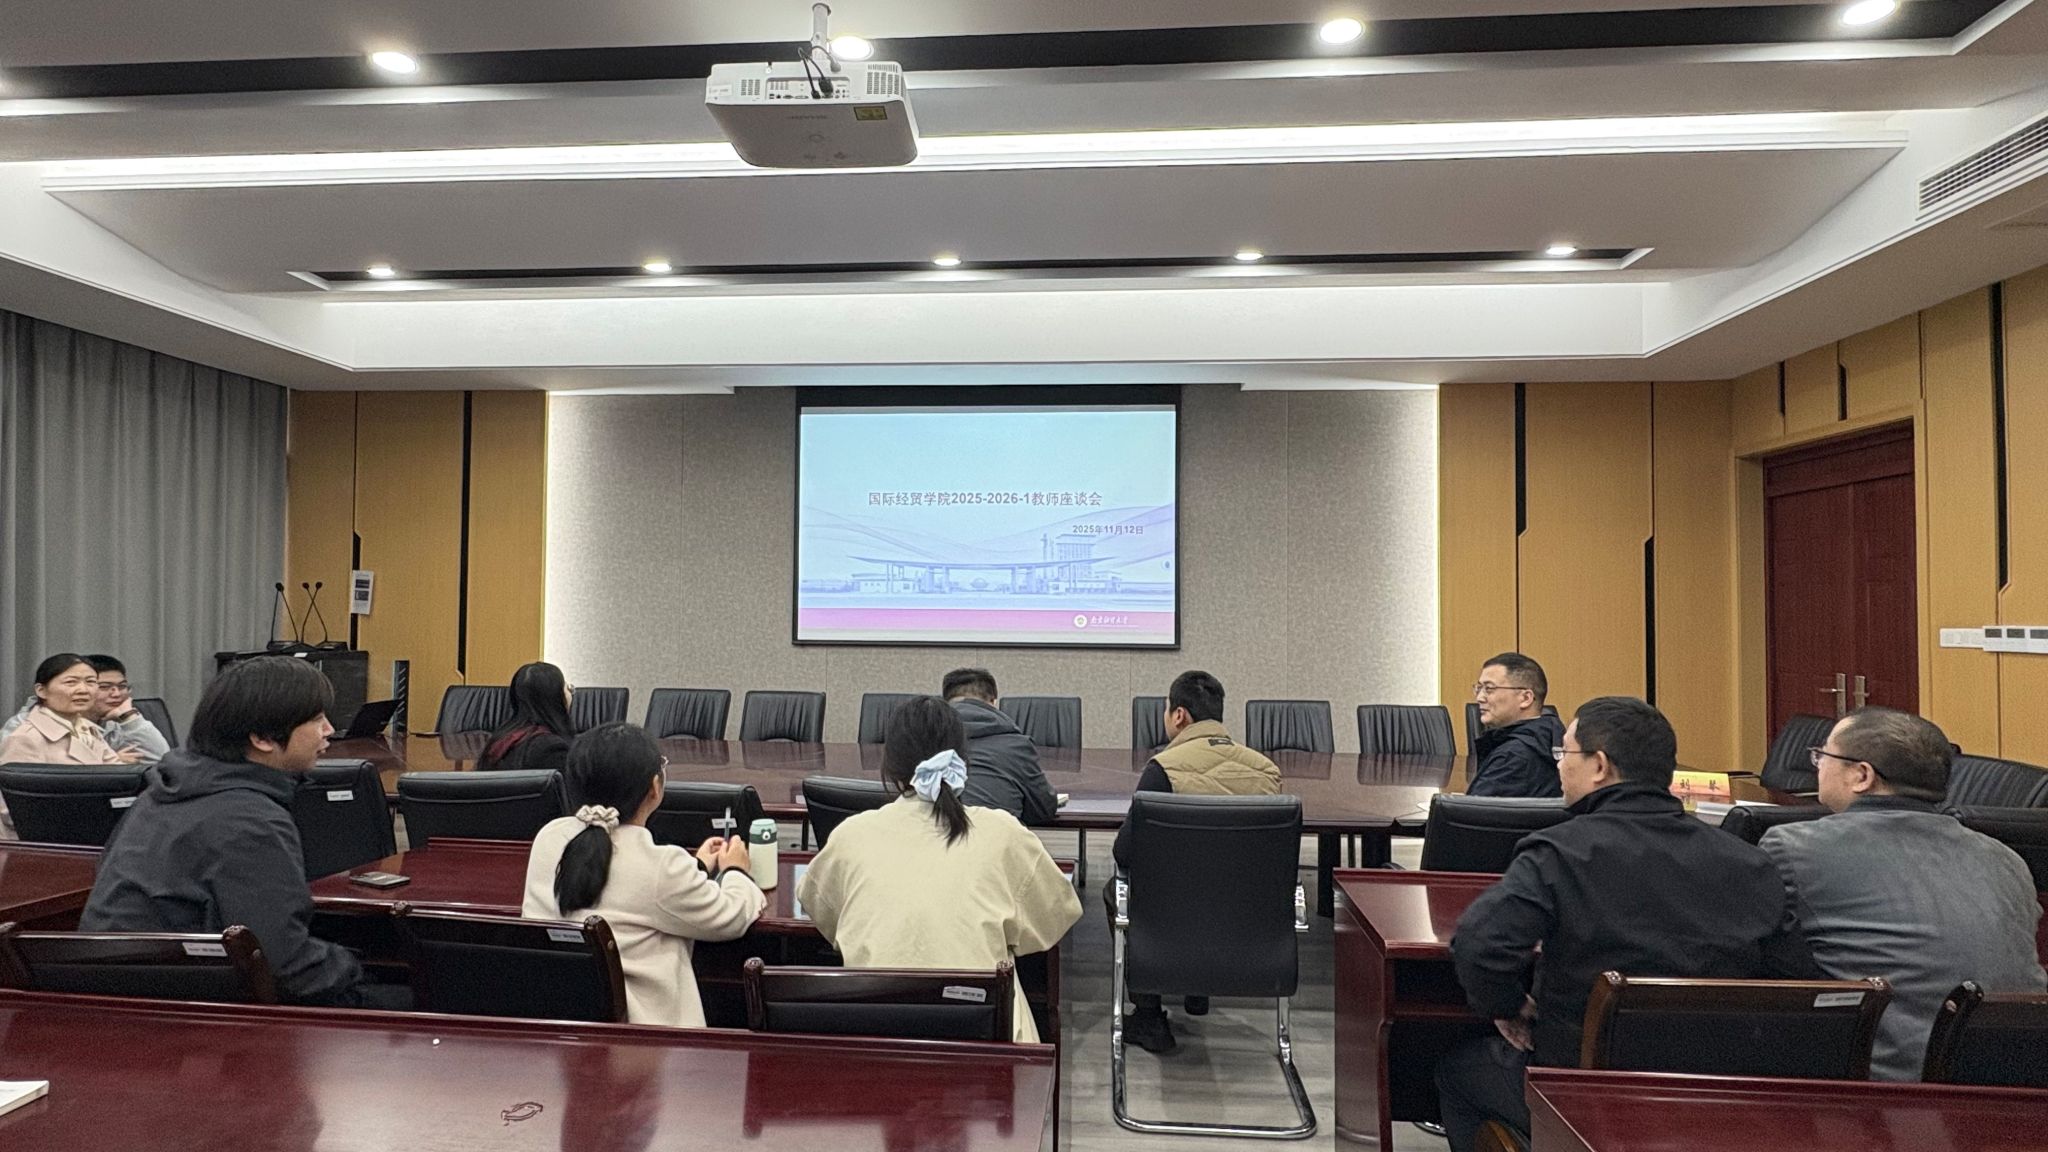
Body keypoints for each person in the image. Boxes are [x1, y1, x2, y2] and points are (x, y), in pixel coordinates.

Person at [1435, 697, 1814, 1152]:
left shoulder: (1559, 852)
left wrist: (1509, 1007)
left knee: (1455, 1074)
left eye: (1564, 753)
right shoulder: (1750, 861)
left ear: (1599, 765)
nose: (1558, 766)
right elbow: (1795, 981)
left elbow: (1480, 944)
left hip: (1581, 1088)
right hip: (1719, 1095)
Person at [80, 656, 396, 1007]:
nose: (329, 730)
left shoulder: (159, 794)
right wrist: (357, 968)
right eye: (316, 719)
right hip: (191, 1010)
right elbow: (283, 964)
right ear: (262, 738)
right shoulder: (248, 818)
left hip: (123, 996)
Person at [1759, 707, 2046, 1081]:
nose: (1818, 766)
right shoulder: (2006, 858)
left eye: (1823, 756)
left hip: (1885, 1086)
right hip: (2021, 1078)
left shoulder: (1793, 847)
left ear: (1862, 776)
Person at [796, 695, 1081, 1042]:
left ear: (889, 767)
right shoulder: (1001, 833)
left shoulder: (851, 836)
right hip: (985, 1043)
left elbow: (820, 910)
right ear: (964, 761)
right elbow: (1055, 915)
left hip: (877, 1038)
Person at [522, 722, 766, 1027]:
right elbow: (731, 917)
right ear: (654, 787)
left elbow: (632, 888)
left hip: (557, 1024)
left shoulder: (549, 838)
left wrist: (697, 867)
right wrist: (735, 870)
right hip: (645, 1039)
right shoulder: (661, 866)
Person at [1111, 669, 1281, 1053]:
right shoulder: (1266, 771)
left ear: (1179, 716)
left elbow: (1125, 852)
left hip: (1173, 919)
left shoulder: (1164, 769)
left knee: (1117, 890)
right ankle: (1197, 989)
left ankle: (1149, 1016)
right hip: (1249, 920)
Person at [1, 653, 169, 762]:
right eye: (71, 682)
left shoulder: (86, 729)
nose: (83, 690)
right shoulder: (22, 734)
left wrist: (129, 716)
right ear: (41, 690)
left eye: (90, 682)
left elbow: (160, 761)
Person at [943, 667, 1058, 826]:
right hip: (996, 836)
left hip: (933, 837)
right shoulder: (1017, 746)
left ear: (945, 701)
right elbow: (1043, 809)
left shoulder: (922, 740)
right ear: (993, 702)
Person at [1468, 652, 1564, 797]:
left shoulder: (1512, 757)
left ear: (1525, 698)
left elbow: (1472, 809)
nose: (1480, 698)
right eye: (1478, 688)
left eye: (1489, 689)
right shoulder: (1551, 735)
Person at [477, 661, 575, 772]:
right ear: (556, 698)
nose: (571, 694)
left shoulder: (499, 740)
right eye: (568, 689)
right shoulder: (553, 750)